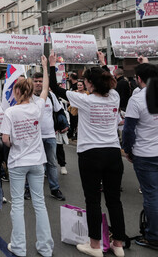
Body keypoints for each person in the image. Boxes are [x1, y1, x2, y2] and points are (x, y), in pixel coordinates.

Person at [49, 51, 125, 257]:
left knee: (93, 200)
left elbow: (55, 88)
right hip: (113, 153)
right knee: (114, 200)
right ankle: (118, 244)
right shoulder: (115, 97)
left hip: (90, 154)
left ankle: (94, 245)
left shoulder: (84, 100)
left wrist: (52, 66)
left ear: (90, 84)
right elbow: (113, 83)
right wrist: (103, 64)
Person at [0, 56, 53, 257]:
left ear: (16, 91)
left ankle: (20, 247)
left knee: (18, 205)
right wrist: (46, 67)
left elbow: (5, 139)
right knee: (39, 203)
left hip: (17, 162)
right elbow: (46, 89)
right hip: (37, 161)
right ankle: (45, 248)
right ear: (31, 91)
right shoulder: (38, 107)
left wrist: (13, 142)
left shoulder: (11, 112)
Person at [123, 57, 158, 250]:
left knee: (151, 195)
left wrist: (128, 150)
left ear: (138, 79)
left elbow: (128, 130)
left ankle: (153, 236)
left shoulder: (137, 99)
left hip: (145, 154)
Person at [32, 72, 66, 201]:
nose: (38, 83)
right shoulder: (28, 97)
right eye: (36, 81)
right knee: (35, 164)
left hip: (50, 135)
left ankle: (55, 189)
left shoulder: (51, 96)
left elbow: (59, 111)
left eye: (41, 81)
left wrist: (63, 125)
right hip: (35, 137)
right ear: (32, 82)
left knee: (52, 163)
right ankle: (31, 189)